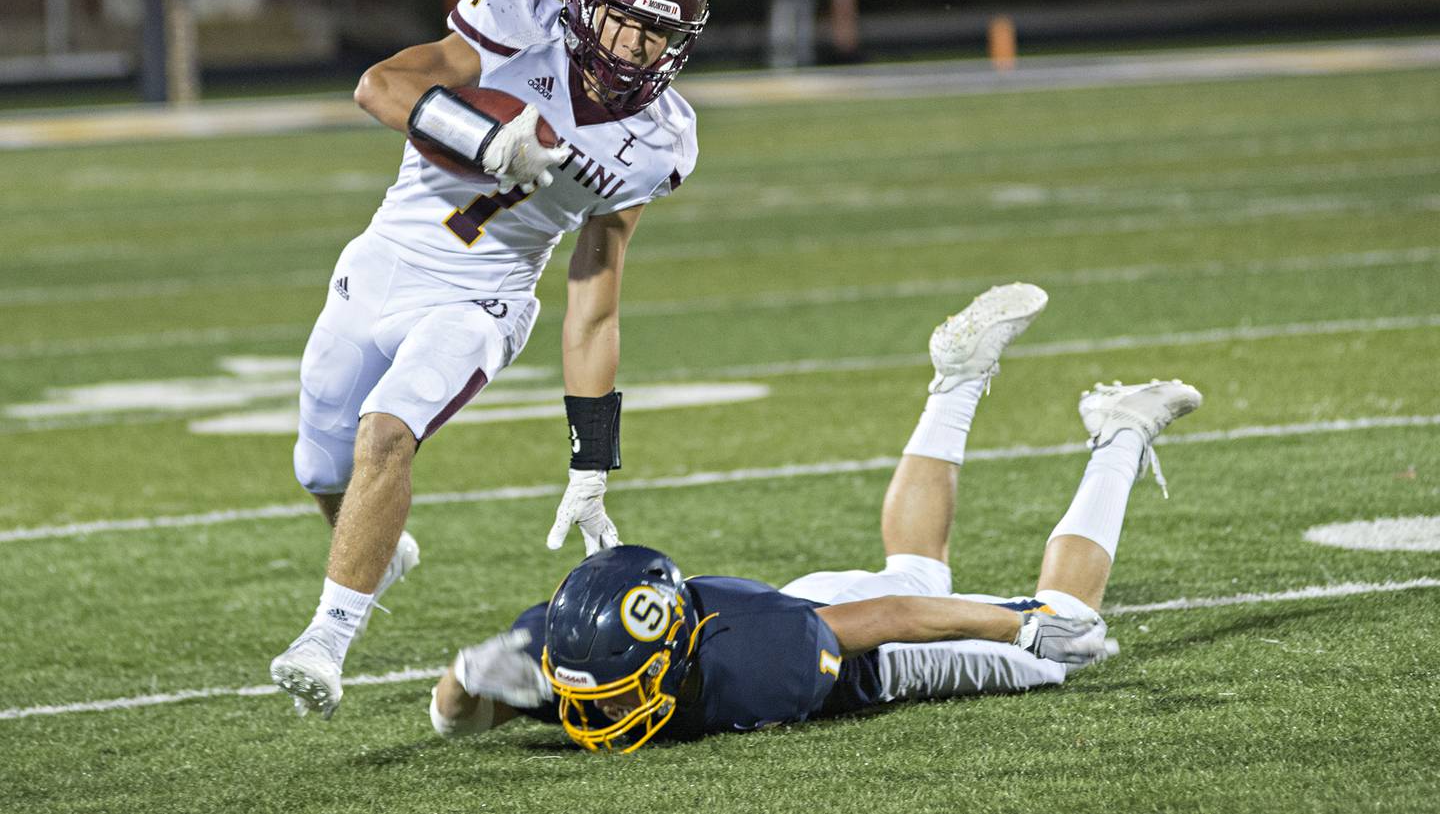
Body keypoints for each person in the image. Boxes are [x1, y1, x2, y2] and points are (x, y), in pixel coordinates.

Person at [428, 282, 1203, 750]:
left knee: (1067, 632)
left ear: (672, 655)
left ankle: (1120, 428)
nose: (608, 714)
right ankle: (956, 381)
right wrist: (462, 681)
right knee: (915, 566)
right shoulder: (579, 645)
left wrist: (1019, 625)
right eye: (600, 699)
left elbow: (890, 617)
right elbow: (459, 715)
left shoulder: (755, 666)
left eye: (622, 693)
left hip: (854, 651)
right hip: (795, 603)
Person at [269, 0, 710, 720]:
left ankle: (323, 642)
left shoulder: (660, 139)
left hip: (485, 298)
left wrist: (591, 461)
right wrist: (489, 144)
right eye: (622, 21)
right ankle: (380, 546)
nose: (634, 50)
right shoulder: (513, 26)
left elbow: (594, 299)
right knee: (318, 465)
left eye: (655, 35)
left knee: (385, 433)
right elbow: (380, 85)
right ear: (580, 1)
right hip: (381, 264)